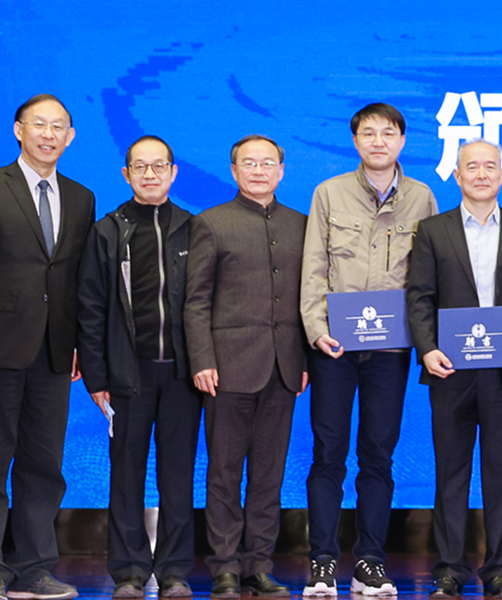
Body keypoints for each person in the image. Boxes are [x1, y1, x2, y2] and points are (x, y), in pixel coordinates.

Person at [0, 93, 95, 600]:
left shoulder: (81, 197)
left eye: (58, 127)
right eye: (39, 125)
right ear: (18, 130)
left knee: (44, 467)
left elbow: (76, 279)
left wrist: (78, 343)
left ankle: (34, 569)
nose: (48, 135)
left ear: (70, 136)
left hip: (55, 352)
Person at [299, 103, 438, 597]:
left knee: (378, 456)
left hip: (391, 349)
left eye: (388, 133)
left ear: (402, 141)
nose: (379, 141)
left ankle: (370, 562)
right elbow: (313, 266)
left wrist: (423, 338)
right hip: (334, 346)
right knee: (328, 454)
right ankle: (322, 561)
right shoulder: (329, 193)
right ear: (355, 140)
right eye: (369, 133)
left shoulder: (422, 197)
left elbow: (427, 277)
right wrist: (316, 329)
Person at [406, 140, 502, 599]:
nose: (482, 174)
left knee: (501, 473)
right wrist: (427, 350)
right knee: (451, 472)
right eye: (472, 167)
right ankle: (450, 568)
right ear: (457, 175)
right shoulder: (432, 230)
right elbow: (419, 297)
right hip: (449, 369)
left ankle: (500, 570)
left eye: (490, 167)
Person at [77, 135, 201, 598]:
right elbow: (90, 308)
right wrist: (97, 376)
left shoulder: (194, 228)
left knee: (178, 475)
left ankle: (174, 571)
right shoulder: (107, 231)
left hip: (183, 375)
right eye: (140, 167)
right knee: (125, 474)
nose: (150, 174)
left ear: (173, 172)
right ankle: (128, 570)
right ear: (126, 174)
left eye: (158, 166)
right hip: (128, 375)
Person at [185, 135, 308, 598]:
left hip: (284, 367)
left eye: (267, 163)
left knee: (269, 475)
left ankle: (259, 564)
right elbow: (196, 300)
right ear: (234, 170)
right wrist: (202, 358)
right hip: (227, 367)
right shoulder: (212, 223)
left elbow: (310, 298)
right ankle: (224, 567)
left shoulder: (301, 224)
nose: (259, 171)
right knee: (224, 472)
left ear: (282, 170)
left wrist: (304, 358)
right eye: (249, 163)